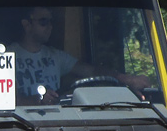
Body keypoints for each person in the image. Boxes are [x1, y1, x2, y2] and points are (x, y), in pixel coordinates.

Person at [11, 6, 149, 104]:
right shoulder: (8, 57)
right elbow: (8, 102)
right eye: (43, 22)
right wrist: (39, 99)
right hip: (24, 126)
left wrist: (125, 79)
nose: (50, 26)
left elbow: (92, 71)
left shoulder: (56, 56)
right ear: (26, 25)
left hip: (57, 121)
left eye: (51, 22)